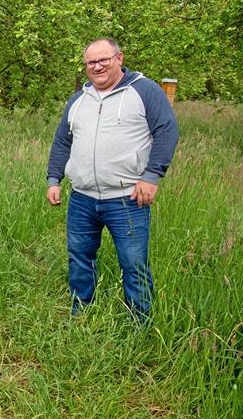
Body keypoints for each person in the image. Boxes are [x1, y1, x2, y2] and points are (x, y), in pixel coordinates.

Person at [46, 38, 179, 322]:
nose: (97, 67)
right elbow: (62, 142)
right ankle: (81, 312)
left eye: (103, 60)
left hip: (127, 198)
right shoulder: (78, 100)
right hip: (82, 198)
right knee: (79, 258)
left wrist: (152, 176)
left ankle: (139, 322)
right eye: (91, 62)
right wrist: (54, 179)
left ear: (119, 58)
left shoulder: (145, 91)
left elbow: (167, 131)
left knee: (133, 264)